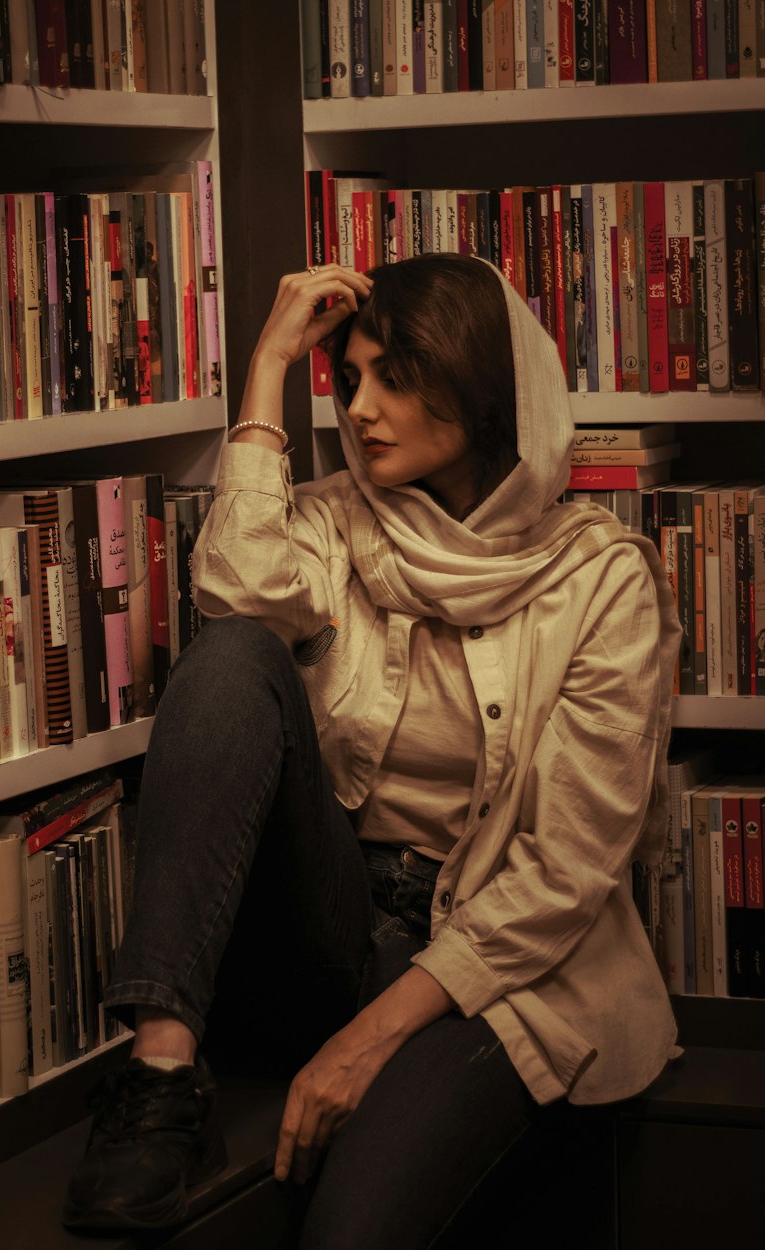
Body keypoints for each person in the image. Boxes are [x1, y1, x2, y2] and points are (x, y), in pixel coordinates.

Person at [61, 253, 682, 1248]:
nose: (359, 407)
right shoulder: (338, 521)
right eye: (349, 378)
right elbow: (235, 588)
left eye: (394, 376)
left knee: (349, 1230)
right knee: (230, 652)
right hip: (329, 921)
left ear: (478, 390)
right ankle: (160, 1071)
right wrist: (266, 362)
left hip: (489, 961)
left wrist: (365, 1039)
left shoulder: (599, 579)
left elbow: (567, 867)